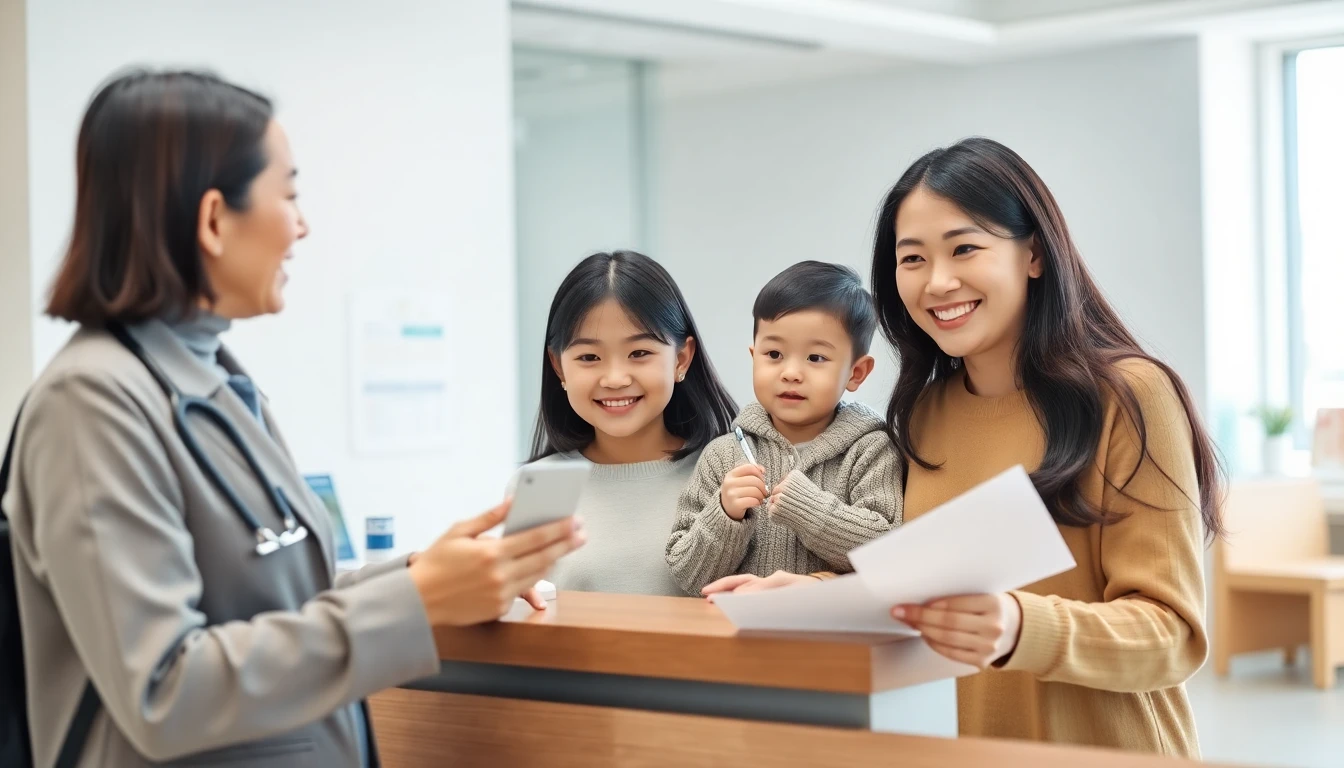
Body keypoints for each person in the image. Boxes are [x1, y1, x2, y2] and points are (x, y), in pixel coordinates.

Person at [2, 69, 584, 767]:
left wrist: (425, 575)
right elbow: (164, 690)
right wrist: (417, 602)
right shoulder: (91, 402)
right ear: (214, 220)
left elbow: (283, 607)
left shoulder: (218, 382)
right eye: (290, 194)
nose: (302, 225)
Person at [706, 138, 1222, 758]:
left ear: (1034, 254)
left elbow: (1173, 634)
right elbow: (917, 586)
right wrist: (820, 596)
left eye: (965, 248)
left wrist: (1020, 626)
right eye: (913, 258)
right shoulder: (923, 412)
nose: (938, 282)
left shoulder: (1131, 395)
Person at [666, 261, 902, 596]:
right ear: (754, 356)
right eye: (774, 354)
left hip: (830, 629)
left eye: (815, 358)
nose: (790, 373)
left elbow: (888, 553)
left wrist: (807, 507)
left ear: (856, 372)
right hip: (731, 628)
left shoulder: (871, 450)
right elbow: (688, 577)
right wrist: (725, 514)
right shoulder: (723, 455)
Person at [520, 251, 737, 596]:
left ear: (681, 359)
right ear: (559, 366)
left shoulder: (729, 476)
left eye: (639, 353)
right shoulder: (537, 488)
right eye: (589, 357)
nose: (615, 379)